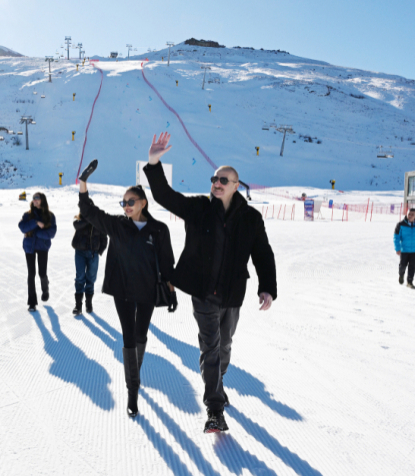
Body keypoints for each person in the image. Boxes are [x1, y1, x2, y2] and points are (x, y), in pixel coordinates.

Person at [143, 132, 277, 434]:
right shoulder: (199, 209)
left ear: (235, 186)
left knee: (225, 346)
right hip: (203, 292)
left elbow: (263, 253)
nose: (216, 183)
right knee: (211, 348)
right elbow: (165, 195)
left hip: (232, 294)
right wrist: (154, 162)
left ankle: (216, 382)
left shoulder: (251, 219)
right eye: (214, 179)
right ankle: (215, 409)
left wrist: (267, 285)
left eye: (222, 180)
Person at [78, 160, 177, 418]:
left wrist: (172, 288)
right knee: (128, 336)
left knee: (141, 335)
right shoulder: (119, 226)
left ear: (143, 202)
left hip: (147, 291)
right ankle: (133, 390)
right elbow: (90, 213)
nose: (126, 206)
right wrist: (83, 186)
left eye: (131, 201)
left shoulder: (159, 230)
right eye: (123, 203)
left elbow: (167, 262)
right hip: (122, 290)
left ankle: (135, 370)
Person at [18, 192, 57, 312]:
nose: (35, 200)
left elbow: (52, 233)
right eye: (34, 198)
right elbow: (22, 227)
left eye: (37, 198)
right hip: (29, 247)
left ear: (42, 200)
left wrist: (38, 233)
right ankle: (32, 302)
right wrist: (35, 223)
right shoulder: (28, 215)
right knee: (31, 274)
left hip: (42, 247)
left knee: (42, 273)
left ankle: (45, 289)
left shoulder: (49, 216)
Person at [71, 213, 108, 315]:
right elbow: (76, 226)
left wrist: (99, 250)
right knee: (80, 277)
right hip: (80, 252)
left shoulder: (99, 222)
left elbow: (104, 237)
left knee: (91, 278)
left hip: (93, 253)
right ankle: (78, 305)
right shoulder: (79, 221)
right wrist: (88, 219)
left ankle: (89, 302)